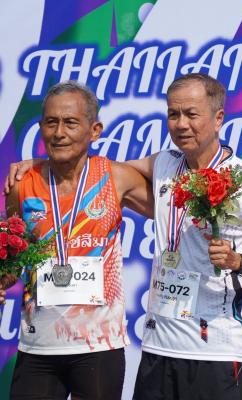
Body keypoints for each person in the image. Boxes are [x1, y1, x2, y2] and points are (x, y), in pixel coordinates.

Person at [4, 73, 242, 400]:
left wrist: (238, 261)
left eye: (191, 114)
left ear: (218, 118)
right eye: (173, 114)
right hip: (158, 348)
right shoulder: (163, 165)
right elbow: (88, 164)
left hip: (216, 349)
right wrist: (42, 162)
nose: (181, 124)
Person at [0, 81, 154, 400]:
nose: (59, 133)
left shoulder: (116, 177)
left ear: (94, 130)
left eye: (70, 123)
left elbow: (173, 207)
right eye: (51, 122)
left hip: (98, 346)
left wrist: (241, 173)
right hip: (38, 346)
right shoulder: (21, 184)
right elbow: (13, 262)